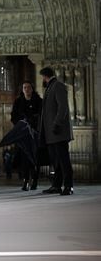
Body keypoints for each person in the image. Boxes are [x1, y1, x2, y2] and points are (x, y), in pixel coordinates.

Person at [38, 67, 74, 195]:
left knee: (64, 160)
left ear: (45, 76)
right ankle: (56, 185)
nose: (42, 80)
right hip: (51, 133)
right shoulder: (50, 87)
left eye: (42, 77)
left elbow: (63, 107)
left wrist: (57, 124)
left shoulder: (58, 86)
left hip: (58, 131)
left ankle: (69, 186)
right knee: (56, 161)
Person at [10, 81, 42, 191]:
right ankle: (25, 180)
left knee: (35, 158)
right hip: (23, 133)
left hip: (35, 134)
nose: (27, 89)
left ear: (32, 89)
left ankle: (35, 180)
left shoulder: (38, 101)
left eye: (28, 87)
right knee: (24, 158)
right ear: (22, 90)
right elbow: (13, 117)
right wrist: (21, 124)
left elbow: (42, 116)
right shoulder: (18, 102)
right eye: (24, 87)